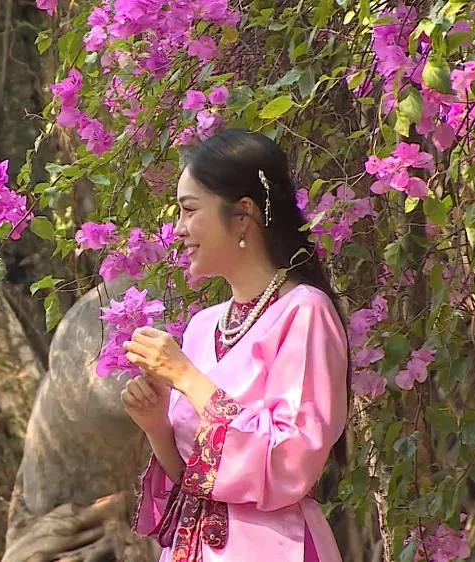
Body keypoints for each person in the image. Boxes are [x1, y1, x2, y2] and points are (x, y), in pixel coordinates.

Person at [121, 128, 349, 561]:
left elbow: (291, 460)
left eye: (190, 210)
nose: (179, 230)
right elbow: (194, 478)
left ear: (243, 214)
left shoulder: (303, 312)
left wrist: (187, 377)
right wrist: (156, 426)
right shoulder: (202, 327)